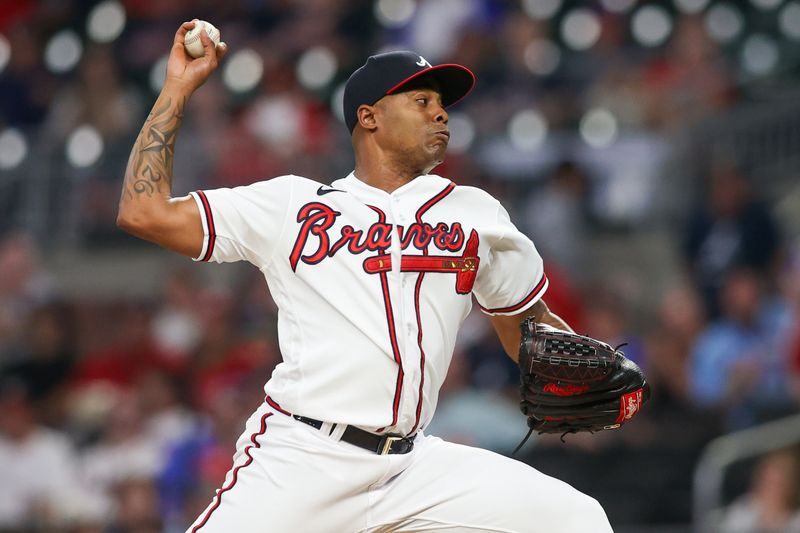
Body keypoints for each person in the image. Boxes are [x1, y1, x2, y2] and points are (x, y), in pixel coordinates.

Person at [116, 21, 613, 533]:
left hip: (413, 465)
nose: (440, 112)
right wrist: (177, 87)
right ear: (368, 116)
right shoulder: (294, 204)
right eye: (421, 101)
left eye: (442, 104)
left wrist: (572, 365)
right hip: (306, 457)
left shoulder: (475, 213)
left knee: (577, 519)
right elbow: (143, 213)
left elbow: (527, 326)